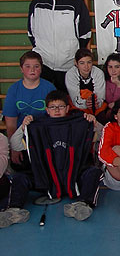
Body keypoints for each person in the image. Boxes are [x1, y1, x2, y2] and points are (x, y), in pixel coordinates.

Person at [1, 91, 103, 227]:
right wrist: (23, 127)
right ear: (47, 110)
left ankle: (82, 204)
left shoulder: (79, 121)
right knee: (19, 178)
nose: (57, 110)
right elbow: (15, 144)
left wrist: (94, 123)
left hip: (73, 176)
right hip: (44, 178)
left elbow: (105, 136)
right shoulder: (36, 125)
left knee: (94, 172)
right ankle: (14, 210)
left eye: (60, 107)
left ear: (67, 108)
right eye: (53, 107)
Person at [27, 0, 91, 91]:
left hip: (68, 65)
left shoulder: (76, 3)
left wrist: (72, 54)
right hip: (44, 63)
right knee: (44, 102)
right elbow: (31, 33)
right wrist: (42, 50)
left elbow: (84, 35)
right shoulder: (36, 3)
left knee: (65, 102)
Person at [3, 51, 55, 169]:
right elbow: (11, 124)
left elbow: (55, 118)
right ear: (21, 69)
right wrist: (14, 148)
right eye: (28, 66)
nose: (32, 70)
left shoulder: (49, 88)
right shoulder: (14, 90)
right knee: (21, 167)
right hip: (22, 137)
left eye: (36, 66)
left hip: (44, 136)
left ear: (41, 69)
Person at [65, 48, 107, 117]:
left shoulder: (98, 73)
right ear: (76, 63)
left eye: (89, 62)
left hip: (96, 107)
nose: (86, 66)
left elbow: (101, 97)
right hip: (77, 107)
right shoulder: (71, 74)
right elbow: (74, 99)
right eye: (82, 63)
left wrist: (96, 103)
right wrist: (85, 104)